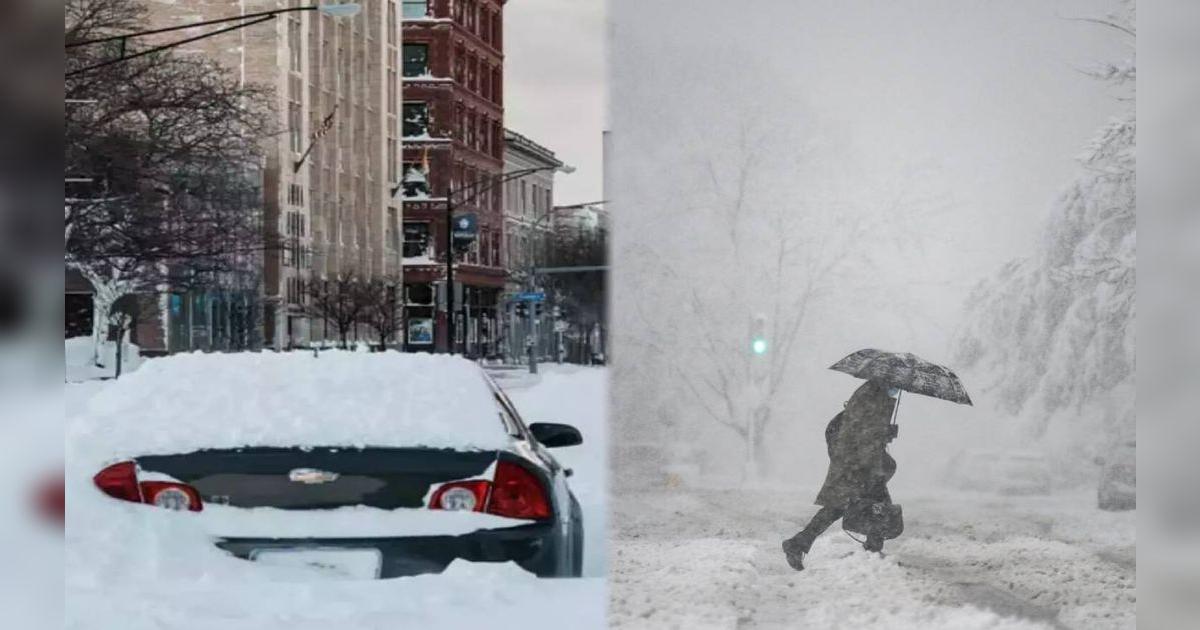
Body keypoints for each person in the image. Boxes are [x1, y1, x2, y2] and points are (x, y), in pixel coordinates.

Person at [782, 379, 899, 571]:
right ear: (888, 380)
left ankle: (799, 543)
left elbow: (863, 431)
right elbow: (861, 432)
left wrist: (883, 434)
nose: (897, 389)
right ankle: (872, 553)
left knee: (843, 507)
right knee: (877, 506)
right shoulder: (870, 396)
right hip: (858, 465)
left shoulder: (874, 394)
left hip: (859, 464)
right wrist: (883, 433)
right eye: (896, 385)